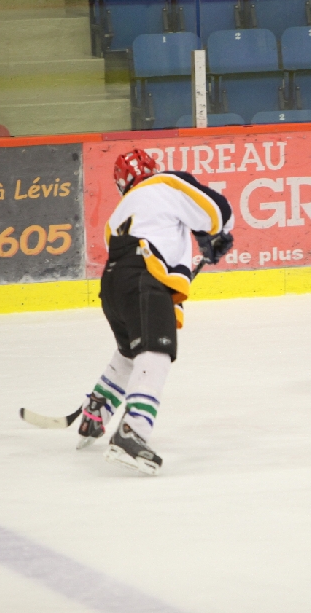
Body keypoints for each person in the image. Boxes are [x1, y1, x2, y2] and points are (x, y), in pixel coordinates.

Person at [77, 149, 234, 475]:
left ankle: (97, 409)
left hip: (112, 285)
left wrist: (203, 241)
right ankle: (132, 430)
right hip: (144, 276)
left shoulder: (117, 216)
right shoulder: (166, 182)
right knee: (155, 352)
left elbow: (146, 245)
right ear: (152, 169)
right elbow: (219, 212)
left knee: (131, 350)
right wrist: (212, 235)